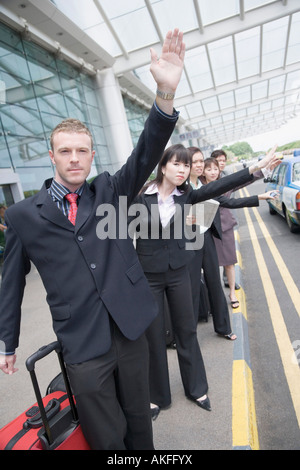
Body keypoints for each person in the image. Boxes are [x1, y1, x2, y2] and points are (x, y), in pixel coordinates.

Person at [0, 29, 186, 450]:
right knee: (105, 434)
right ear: (52, 156)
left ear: (92, 155)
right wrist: (6, 341)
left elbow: (145, 154)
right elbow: (10, 281)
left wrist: (164, 94)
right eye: (65, 152)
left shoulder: (109, 190)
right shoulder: (22, 216)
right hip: (82, 342)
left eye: (82, 151)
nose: (75, 159)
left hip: (130, 326)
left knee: (140, 420)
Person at [132, 144, 280, 419]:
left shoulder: (187, 197)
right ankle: (156, 396)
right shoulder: (141, 198)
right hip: (148, 277)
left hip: (178, 273)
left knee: (186, 331)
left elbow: (217, 188)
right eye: (177, 164)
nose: (183, 169)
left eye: (186, 166)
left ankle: (197, 388)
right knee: (152, 337)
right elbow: (125, 236)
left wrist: (255, 169)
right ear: (163, 166)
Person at [193, 156, 278, 336]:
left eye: (203, 162)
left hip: (213, 232)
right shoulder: (188, 188)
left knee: (222, 272)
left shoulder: (209, 189)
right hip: (191, 240)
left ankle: (225, 316)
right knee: (192, 285)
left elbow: (232, 199)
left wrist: (260, 192)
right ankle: (193, 323)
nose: (202, 167)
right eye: (197, 162)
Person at [211, 148, 276, 307]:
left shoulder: (227, 179)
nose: (221, 164)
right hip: (206, 229)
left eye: (223, 161)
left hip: (225, 225)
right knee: (210, 267)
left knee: (229, 262)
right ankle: (213, 299)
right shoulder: (200, 182)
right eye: (218, 161)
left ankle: (232, 293)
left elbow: (244, 180)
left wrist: (264, 170)